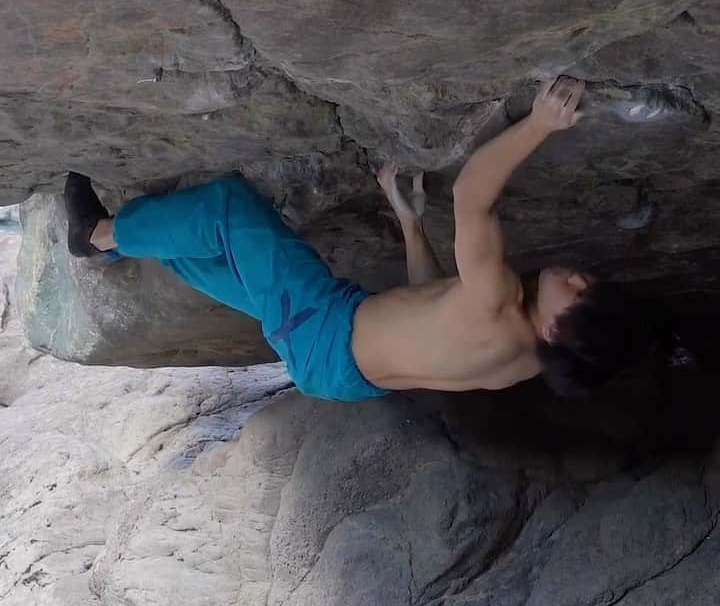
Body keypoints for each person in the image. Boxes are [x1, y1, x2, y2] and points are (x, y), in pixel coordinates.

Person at [64, 77, 647, 401]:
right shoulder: (524, 364)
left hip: (324, 327)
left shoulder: (498, 299)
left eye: (577, 292)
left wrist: (540, 124)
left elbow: (473, 195)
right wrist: (410, 221)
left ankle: (98, 234)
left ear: (552, 330)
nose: (577, 275)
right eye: (590, 281)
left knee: (225, 208)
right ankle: (131, 241)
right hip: (339, 377)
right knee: (212, 257)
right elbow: (433, 311)